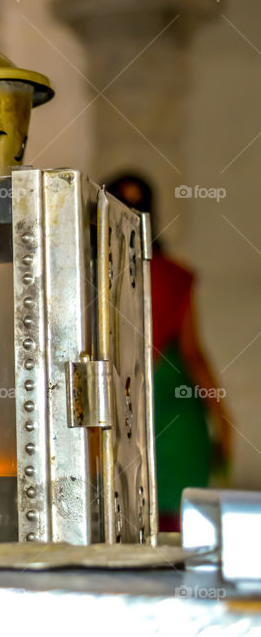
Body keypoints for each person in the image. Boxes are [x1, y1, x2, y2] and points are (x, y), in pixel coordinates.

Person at [105, 173, 232, 531]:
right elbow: (193, 355)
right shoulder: (173, 276)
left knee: (122, 525)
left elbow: (193, 355)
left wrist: (224, 421)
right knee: (173, 535)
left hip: (131, 412)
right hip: (173, 417)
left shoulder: (92, 274)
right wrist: (224, 421)